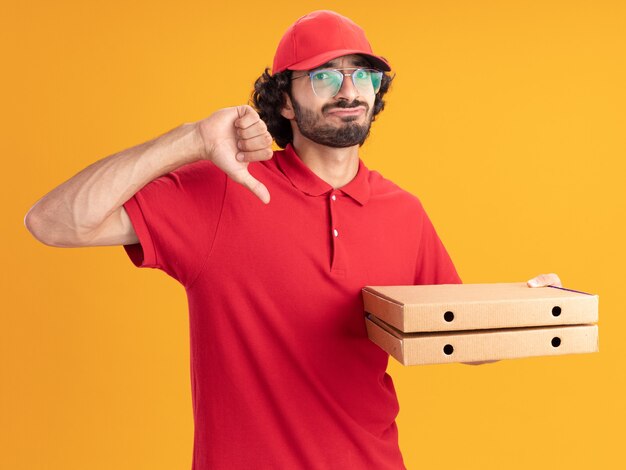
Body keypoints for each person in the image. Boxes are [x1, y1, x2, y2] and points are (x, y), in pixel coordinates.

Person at [24, 9, 562, 470]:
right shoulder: (224, 191)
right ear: (284, 100)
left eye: (364, 76)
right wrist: (188, 141)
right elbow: (54, 222)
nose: (350, 92)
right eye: (326, 77)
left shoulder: (405, 211)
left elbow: (454, 341)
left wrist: (529, 308)